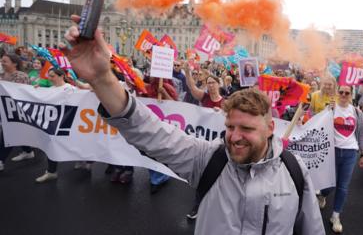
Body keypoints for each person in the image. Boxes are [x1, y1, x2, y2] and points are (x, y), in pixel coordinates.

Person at [61, 15, 325, 235]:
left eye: (247, 129)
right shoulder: (208, 159)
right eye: (231, 127)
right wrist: (101, 78)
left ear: (270, 129)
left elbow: (312, 230)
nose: (234, 137)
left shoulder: (293, 171)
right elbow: (147, 130)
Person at [317, 85, 363, 233]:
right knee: (330, 184)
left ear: (351, 94)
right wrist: (327, 111)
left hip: (350, 152)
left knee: (343, 186)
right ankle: (323, 194)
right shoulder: (330, 109)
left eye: (347, 92)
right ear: (337, 93)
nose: (344, 95)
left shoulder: (357, 112)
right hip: (332, 151)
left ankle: (335, 216)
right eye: (341, 92)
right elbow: (318, 126)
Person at [35, 68, 80, 182]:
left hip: (68, 123)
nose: (49, 79)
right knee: (52, 145)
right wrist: (36, 91)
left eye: (52, 76)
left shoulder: (70, 89)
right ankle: (51, 171)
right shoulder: (50, 89)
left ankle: (83, 159)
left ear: (62, 76)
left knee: (74, 144)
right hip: (54, 123)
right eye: (48, 76)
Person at [0, 53, 35, 170]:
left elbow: (23, 95)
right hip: (4, 109)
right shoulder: (2, 75)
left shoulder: (21, 76)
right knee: (17, 133)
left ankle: (1, 160)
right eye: (2, 61)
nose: (2, 63)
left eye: (5, 61)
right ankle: (28, 151)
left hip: (17, 111)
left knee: (8, 133)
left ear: (14, 63)